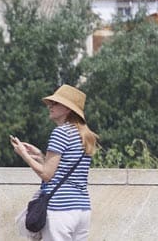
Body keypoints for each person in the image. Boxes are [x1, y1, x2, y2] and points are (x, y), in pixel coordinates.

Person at [11, 84, 99, 241]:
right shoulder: (84, 135)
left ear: (68, 109)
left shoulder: (60, 133)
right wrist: (39, 155)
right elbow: (65, 169)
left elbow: (47, 174)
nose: (50, 106)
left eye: (56, 103)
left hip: (60, 209)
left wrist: (24, 155)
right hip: (82, 209)